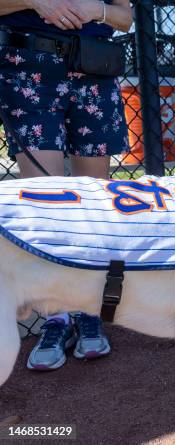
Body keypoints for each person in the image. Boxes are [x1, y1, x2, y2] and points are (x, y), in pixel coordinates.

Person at [0, 0, 132, 369]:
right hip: (28, 68)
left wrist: (96, 10)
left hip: (93, 67)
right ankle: (56, 315)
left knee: (93, 201)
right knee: (47, 206)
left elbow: (125, 17)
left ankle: (88, 309)